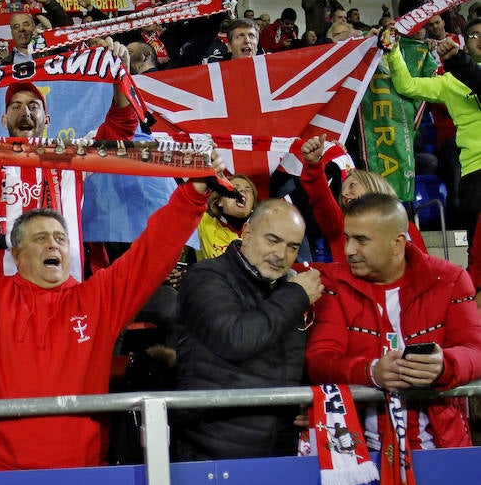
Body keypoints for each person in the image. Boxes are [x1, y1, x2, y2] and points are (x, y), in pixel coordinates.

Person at [0, 142, 224, 471]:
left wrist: (194, 194)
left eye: (61, 238)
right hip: (1, 477)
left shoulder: (99, 298)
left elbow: (154, 249)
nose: (53, 244)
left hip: (83, 475)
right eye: (41, 238)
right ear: (16, 255)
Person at [306, 193, 481, 450]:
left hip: (442, 449)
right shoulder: (335, 285)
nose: (349, 250)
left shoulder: (450, 280)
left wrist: (444, 365)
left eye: (361, 240)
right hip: (359, 454)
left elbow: (475, 350)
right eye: (347, 238)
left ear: (397, 243)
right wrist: (371, 371)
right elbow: (320, 359)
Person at [172, 195, 323, 461]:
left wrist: (309, 398)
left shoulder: (286, 290)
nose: (281, 255)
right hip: (212, 456)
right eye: (272, 240)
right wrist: (296, 295)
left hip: (280, 452)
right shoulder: (205, 276)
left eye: (292, 247)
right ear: (247, 233)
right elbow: (236, 339)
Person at [385, 19, 481, 244]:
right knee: (478, 250)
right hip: (475, 172)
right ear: (465, 43)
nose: (480, 39)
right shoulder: (449, 81)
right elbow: (407, 86)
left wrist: (459, 62)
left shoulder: (459, 66)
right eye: (475, 35)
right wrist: (394, 48)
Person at [299, 137, 427, 261]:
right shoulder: (340, 226)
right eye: (342, 191)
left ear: (373, 186)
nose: (345, 194)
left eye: (352, 186)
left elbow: (424, 269)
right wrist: (314, 164)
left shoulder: (408, 228)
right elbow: (321, 198)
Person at [1, 0, 70, 64]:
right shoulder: (6, 63)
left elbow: (61, 29)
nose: (21, 29)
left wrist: (49, 3)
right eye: (16, 27)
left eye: (26, 24)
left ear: (34, 29)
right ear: (12, 33)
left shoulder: (51, 52)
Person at [195, 173, 257, 260]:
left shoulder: (261, 234)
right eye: (235, 187)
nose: (243, 191)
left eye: (248, 189)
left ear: (252, 205)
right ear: (220, 201)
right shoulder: (204, 221)